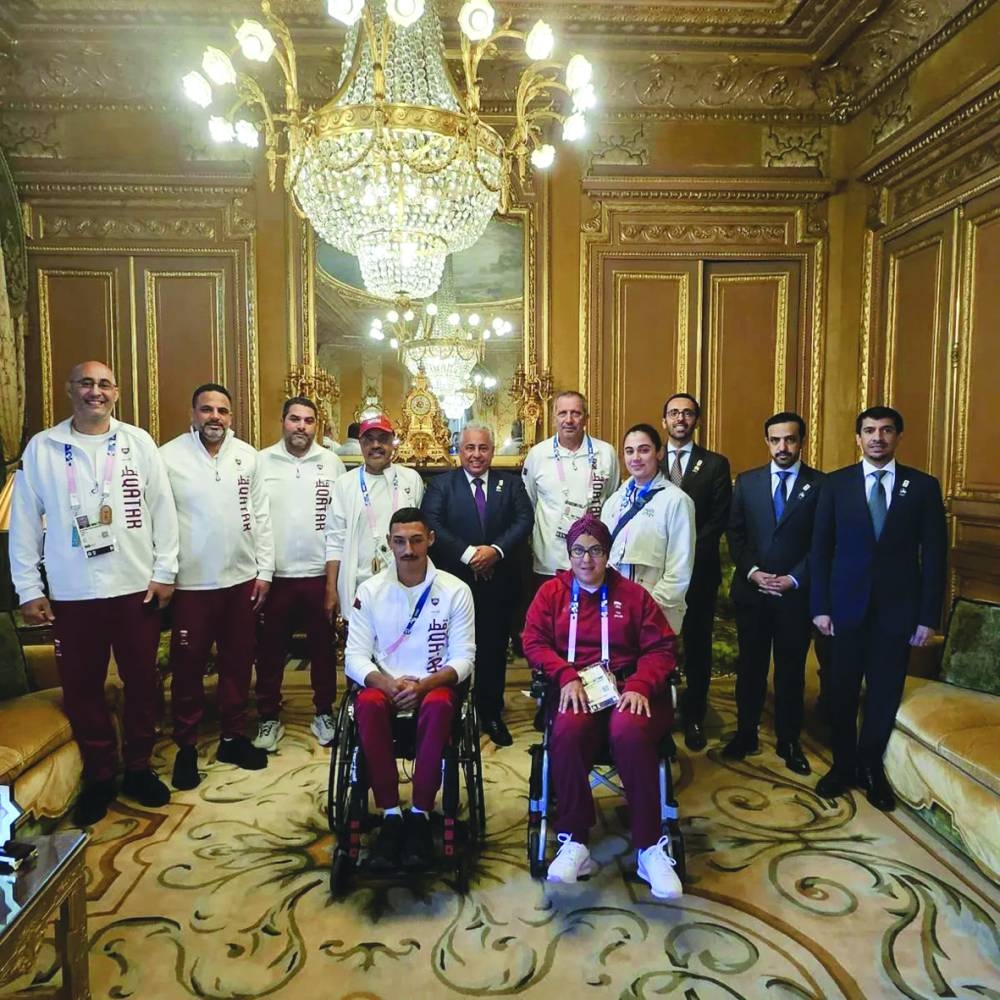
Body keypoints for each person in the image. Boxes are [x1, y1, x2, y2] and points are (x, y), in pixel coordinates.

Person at [10, 360, 178, 824]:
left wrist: (165, 571)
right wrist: (29, 587)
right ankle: (102, 774)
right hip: (72, 592)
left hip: (134, 588)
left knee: (143, 682)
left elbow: (162, 509)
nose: (96, 391)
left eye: (104, 384)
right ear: (70, 390)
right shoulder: (43, 448)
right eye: (86, 382)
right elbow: (24, 524)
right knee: (82, 689)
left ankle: (140, 767)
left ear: (116, 392)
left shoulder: (137, 442)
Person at [521, 514, 682, 899]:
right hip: (578, 686)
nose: (586, 560)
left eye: (595, 551)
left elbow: (662, 648)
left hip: (629, 687)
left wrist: (641, 684)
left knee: (627, 730)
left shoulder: (634, 595)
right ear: (569, 553)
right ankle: (575, 840)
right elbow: (533, 641)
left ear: (607, 554)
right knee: (568, 730)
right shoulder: (552, 594)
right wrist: (564, 674)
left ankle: (648, 847)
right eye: (579, 551)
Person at [811, 406, 947, 811]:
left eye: (886, 430)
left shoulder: (922, 487)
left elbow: (934, 555)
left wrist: (927, 616)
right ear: (858, 438)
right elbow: (819, 552)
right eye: (869, 431)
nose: (877, 438)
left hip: (897, 612)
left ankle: (871, 766)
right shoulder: (835, 485)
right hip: (843, 610)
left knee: (884, 693)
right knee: (840, 690)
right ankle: (843, 764)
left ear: (898, 436)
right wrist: (820, 607)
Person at [344, 507, 475, 870]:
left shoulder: (455, 590)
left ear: (430, 539)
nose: (408, 549)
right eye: (399, 541)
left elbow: (464, 659)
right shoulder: (369, 591)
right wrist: (386, 683)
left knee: (440, 705)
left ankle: (419, 813)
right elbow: (354, 657)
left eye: (416, 540)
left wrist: (425, 685)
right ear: (389, 543)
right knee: (366, 704)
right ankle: (390, 814)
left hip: (434, 686)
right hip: (384, 688)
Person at [160, 382, 274, 789]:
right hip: (191, 584)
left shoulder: (247, 457)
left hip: (241, 581)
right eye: (206, 410)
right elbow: (159, 519)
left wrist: (265, 572)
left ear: (231, 416)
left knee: (238, 664)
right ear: (193, 414)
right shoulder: (167, 457)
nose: (215, 418)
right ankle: (187, 747)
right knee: (188, 668)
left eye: (222, 411)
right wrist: (164, 573)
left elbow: (261, 516)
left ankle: (233, 737)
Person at [421, 422, 534, 747]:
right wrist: (471, 555)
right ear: (459, 450)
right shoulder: (441, 485)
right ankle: (450, 713)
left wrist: (494, 552)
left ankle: (490, 712)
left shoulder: (510, 484)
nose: (476, 454)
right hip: (453, 585)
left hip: (498, 584)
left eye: (483, 448)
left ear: (492, 450)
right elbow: (433, 525)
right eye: (469, 448)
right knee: (449, 649)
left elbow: (524, 519)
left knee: (493, 651)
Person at [724, 412, 824, 774]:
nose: (783, 447)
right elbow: (735, 534)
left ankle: (789, 740)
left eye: (790, 439)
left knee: (790, 672)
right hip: (753, 593)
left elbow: (822, 542)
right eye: (776, 440)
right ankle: (745, 733)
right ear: (767, 442)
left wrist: (794, 579)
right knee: (749, 668)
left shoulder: (820, 485)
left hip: (795, 597)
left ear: (801, 441)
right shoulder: (747, 483)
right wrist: (753, 573)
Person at [253, 397, 346, 752]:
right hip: (274, 575)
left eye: (308, 420)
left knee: (323, 648)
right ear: (283, 421)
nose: (302, 427)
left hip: (318, 574)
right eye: (295, 419)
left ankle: (323, 711)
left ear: (316, 425)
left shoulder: (332, 463)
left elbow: (337, 526)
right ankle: (268, 717)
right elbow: (255, 519)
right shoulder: (261, 462)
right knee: (270, 650)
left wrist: (332, 582)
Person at [660, 393, 732, 752]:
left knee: (698, 648)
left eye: (687, 413)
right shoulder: (648, 460)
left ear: (696, 421)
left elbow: (718, 521)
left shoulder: (715, 465)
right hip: (656, 578)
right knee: (657, 647)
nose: (680, 419)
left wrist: (682, 554)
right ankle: (658, 717)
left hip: (699, 574)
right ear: (664, 421)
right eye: (674, 413)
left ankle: (693, 717)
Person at [324, 415, 424, 627]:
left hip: (405, 584)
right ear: (360, 444)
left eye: (382, 439)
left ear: (393, 442)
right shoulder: (345, 484)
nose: (376, 445)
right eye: (369, 439)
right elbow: (334, 541)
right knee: (361, 653)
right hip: (360, 585)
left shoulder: (411, 479)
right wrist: (331, 588)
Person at [601, 423, 695, 637]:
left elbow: (679, 568)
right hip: (615, 608)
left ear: (659, 453)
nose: (636, 457)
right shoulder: (615, 501)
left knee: (650, 669)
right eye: (629, 451)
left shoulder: (676, 501)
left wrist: (647, 607)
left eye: (644, 450)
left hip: (654, 609)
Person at [521, 391, 620, 585]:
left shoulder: (606, 453)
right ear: (553, 418)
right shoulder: (537, 455)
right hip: (550, 562)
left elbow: (612, 501)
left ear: (586, 418)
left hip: (594, 560)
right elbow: (530, 503)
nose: (569, 420)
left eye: (576, 413)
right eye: (562, 413)